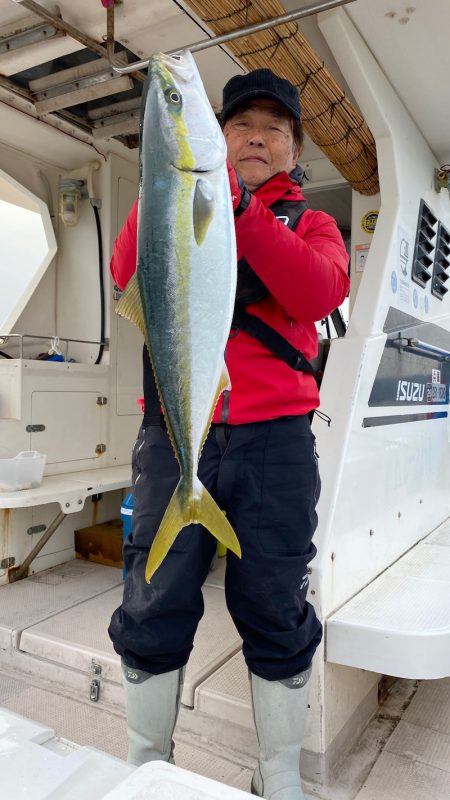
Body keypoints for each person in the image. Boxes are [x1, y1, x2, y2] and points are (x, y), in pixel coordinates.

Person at [108, 68, 349, 800]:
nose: (256, 136)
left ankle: (278, 771)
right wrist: (163, 189)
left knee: (276, 598)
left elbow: (317, 290)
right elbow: (126, 273)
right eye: (242, 123)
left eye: (275, 127)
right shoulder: (171, 197)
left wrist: (239, 209)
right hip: (177, 435)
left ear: (294, 148)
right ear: (214, 136)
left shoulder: (313, 224)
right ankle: (146, 756)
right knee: (153, 593)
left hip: (275, 442)